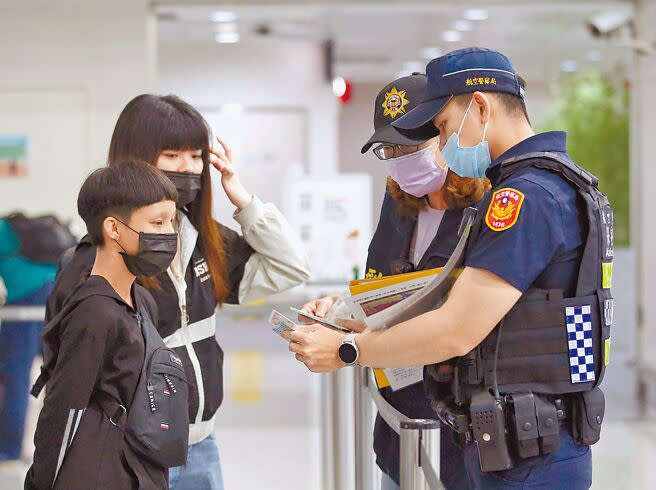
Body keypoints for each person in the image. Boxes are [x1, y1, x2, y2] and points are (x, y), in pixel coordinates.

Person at [285, 47, 612, 489]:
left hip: (529, 450)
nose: (441, 142)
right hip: (524, 436)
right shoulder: (550, 184)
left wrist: (349, 351)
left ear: (479, 106)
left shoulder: (524, 197)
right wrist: (348, 315)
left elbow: (456, 329)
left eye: (441, 127)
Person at [46, 94, 310, 490]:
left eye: (195, 156)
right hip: (130, 453)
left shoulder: (204, 240)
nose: (186, 169)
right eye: (172, 155)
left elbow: (291, 268)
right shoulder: (96, 261)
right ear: (135, 157)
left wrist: (242, 198)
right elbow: (67, 382)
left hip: (201, 444)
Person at [301, 73, 490, 490]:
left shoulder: (488, 208)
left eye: (410, 144)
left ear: (444, 134)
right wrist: (340, 308)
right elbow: (384, 285)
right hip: (400, 408)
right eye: (389, 149)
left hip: (463, 416)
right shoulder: (400, 200)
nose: (399, 158)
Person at [25, 161, 180, 489]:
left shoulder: (144, 302)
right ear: (113, 228)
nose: (169, 233)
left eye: (172, 221)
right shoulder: (94, 313)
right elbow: (62, 411)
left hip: (140, 469)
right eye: (157, 222)